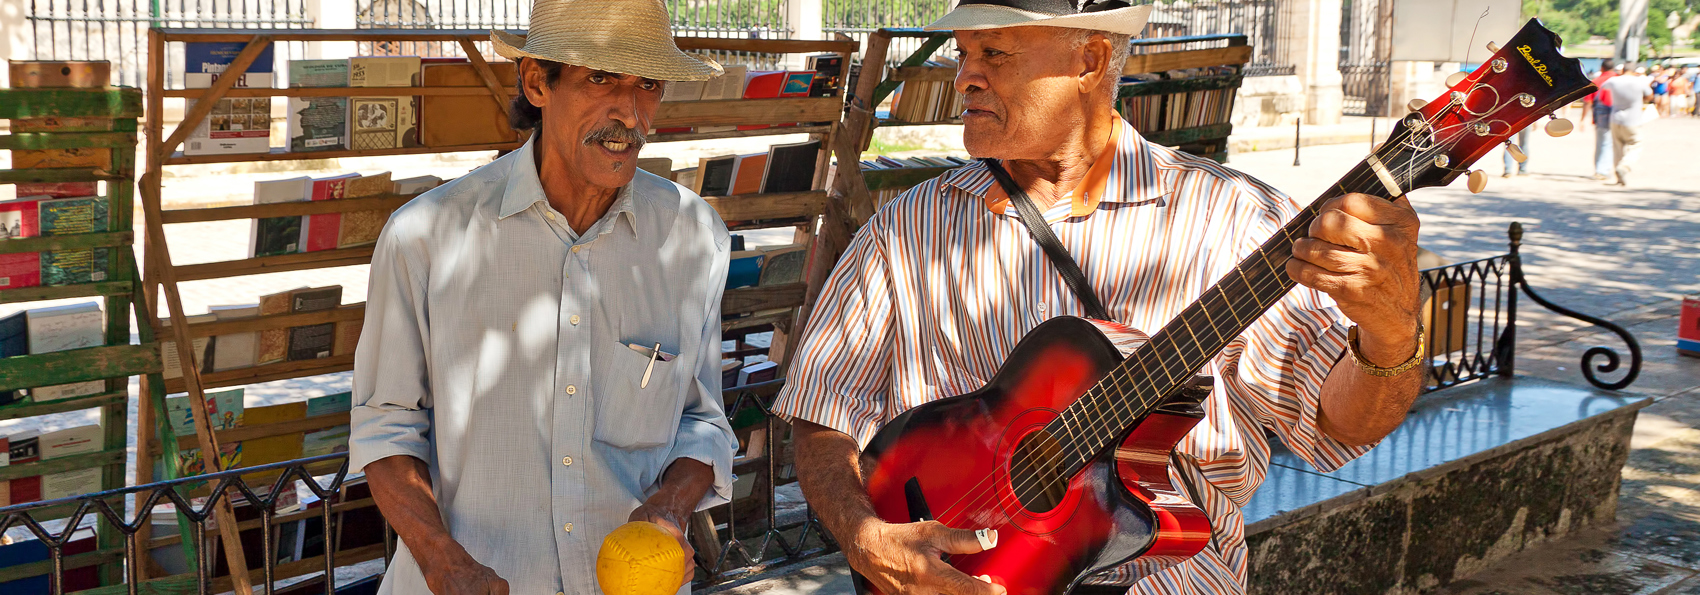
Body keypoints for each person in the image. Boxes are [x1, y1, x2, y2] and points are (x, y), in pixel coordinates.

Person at [775, 1, 1425, 594]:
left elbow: (1337, 423)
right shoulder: (905, 229)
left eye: (994, 54)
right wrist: (865, 538)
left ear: (1089, 61)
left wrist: (1391, 335)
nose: (964, 77)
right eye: (963, 53)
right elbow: (822, 413)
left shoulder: (1234, 223)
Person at [348, 0, 738, 593]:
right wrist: (439, 559)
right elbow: (385, 428)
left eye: (649, 85)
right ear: (537, 82)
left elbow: (702, 421)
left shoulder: (693, 237)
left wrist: (669, 508)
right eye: (601, 79)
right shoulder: (424, 237)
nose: (630, 114)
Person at [1602, 66, 1655, 186]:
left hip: (1615, 118)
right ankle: (1624, 167)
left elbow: (1603, 89)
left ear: (1622, 70)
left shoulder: (1613, 81)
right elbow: (1649, 95)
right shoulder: (1639, 81)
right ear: (1634, 71)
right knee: (1636, 144)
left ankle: (1618, 178)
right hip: (1633, 119)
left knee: (1617, 147)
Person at [1586, 61, 1619, 180]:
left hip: (1602, 116)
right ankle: (1617, 166)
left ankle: (1601, 170)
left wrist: (1582, 118)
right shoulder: (1619, 80)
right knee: (1617, 143)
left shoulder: (1596, 81)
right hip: (1621, 115)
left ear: (1602, 68)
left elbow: (1588, 101)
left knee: (1603, 143)